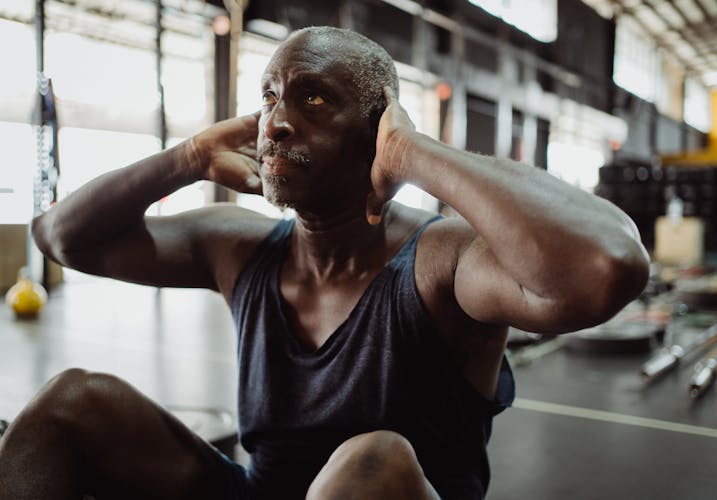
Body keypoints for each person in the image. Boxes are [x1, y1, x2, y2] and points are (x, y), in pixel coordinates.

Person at [0, 26, 649, 500]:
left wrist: (415, 154)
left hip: (385, 490)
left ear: (378, 130)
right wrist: (190, 157)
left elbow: (606, 266)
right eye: (271, 96)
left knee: (374, 460)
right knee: (70, 404)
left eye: (311, 100)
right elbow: (62, 237)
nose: (275, 121)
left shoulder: (440, 262)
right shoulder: (240, 248)